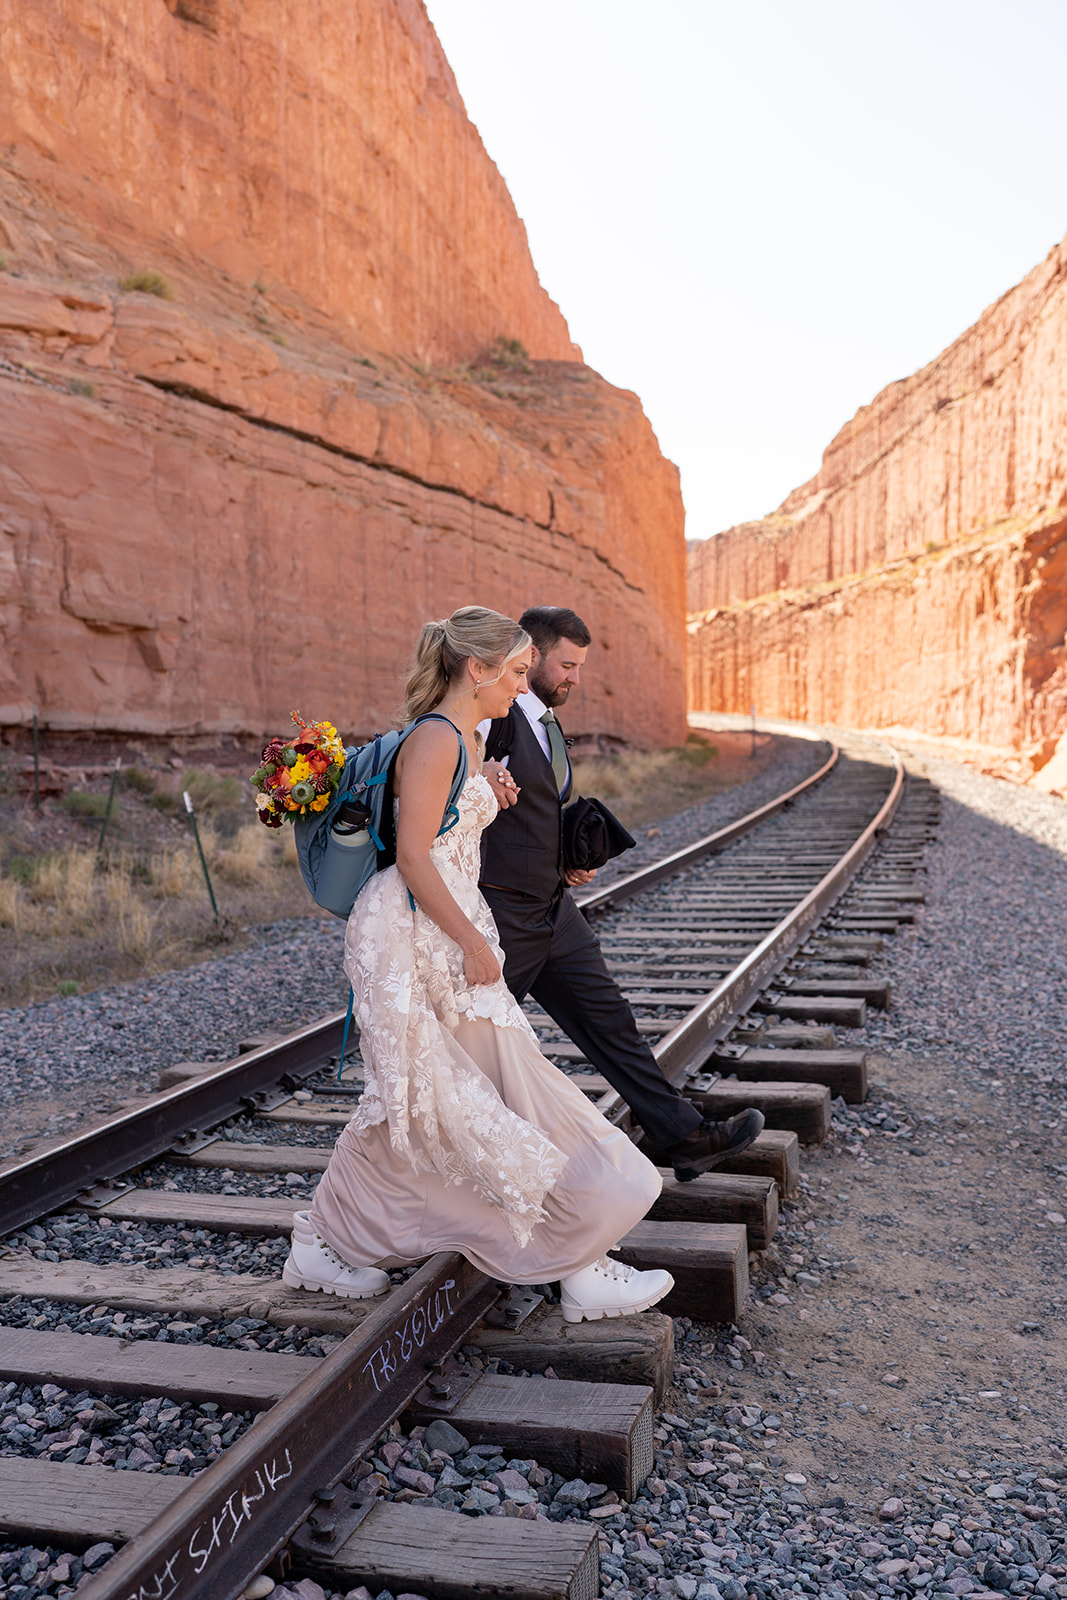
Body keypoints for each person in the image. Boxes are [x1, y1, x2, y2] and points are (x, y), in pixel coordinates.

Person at [282, 606, 674, 1322]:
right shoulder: (436, 737)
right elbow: (411, 857)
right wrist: (468, 941)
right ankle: (574, 1257)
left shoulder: (462, 736)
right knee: (451, 1093)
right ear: (477, 667)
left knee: (439, 1096)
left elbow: (438, 831)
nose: (522, 685)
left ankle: (332, 1239)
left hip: (440, 926)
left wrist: (479, 803)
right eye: (518, 670)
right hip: (418, 933)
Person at [478, 604, 764, 1181]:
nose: (575, 679)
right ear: (530, 656)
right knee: (470, 1048)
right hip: (502, 915)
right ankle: (443, 1166)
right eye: (566, 665)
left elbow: (532, 807)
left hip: (553, 911)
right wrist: (476, 774)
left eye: (580, 667)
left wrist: (568, 857)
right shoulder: (493, 717)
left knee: (610, 1019)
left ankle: (678, 1133)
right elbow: (449, 782)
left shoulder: (544, 721)